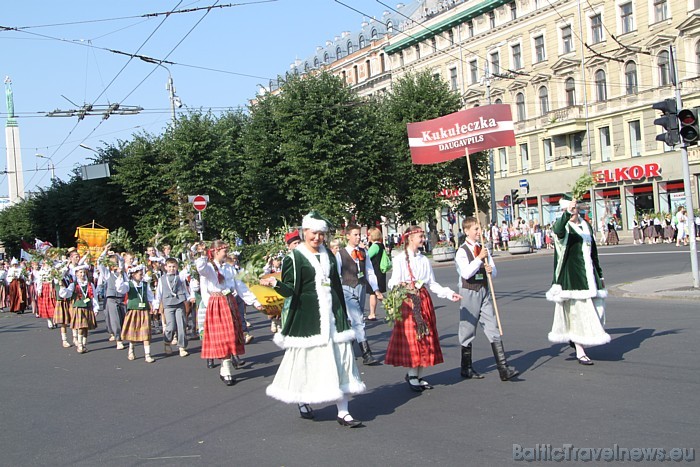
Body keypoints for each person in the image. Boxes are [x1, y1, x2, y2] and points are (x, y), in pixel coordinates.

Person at [260, 211, 365, 427]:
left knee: (341, 360)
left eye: (321, 234)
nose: (317, 238)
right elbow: (290, 291)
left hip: (333, 317)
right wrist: (275, 284)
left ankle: (343, 411)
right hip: (308, 318)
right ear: (305, 232)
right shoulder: (294, 258)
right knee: (308, 362)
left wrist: (343, 314)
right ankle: (303, 400)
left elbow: (336, 284)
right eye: (313, 233)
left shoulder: (328, 254)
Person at [385, 226, 461, 392]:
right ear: (410, 238)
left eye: (423, 236)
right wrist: (402, 286)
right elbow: (392, 283)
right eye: (420, 236)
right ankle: (412, 374)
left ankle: (418, 375)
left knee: (424, 336)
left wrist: (449, 294)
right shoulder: (400, 259)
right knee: (414, 338)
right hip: (408, 302)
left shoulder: (423, 260)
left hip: (423, 300)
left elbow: (431, 283)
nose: (423, 239)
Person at [546, 195, 610, 365]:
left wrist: (600, 275)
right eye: (571, 209)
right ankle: (580, 350)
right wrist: (568, 213)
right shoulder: (564, 227)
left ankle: (575, 340)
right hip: (573, 279)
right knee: (578, 315)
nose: (575, 212)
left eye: (576, 208)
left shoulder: (585, 225)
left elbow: (593, 252)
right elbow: (558, 230)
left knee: (599, 310)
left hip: (591, 277)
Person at [455, 217, 519, 381]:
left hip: (484, 289)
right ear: (467, 231)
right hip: (469, 291)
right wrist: (478, 259)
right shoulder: (462, 251)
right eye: (475, 229)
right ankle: (466, 367)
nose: (478, 232)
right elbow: (466, 273)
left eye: (479, 228)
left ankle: (503, 369)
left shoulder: (484, 249)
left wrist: (490, 270)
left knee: (493, 327)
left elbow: (494, 271)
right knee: (468, 329)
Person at [195, 240, 263, 386]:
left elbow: (240, 286)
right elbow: (200, 268)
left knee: (232, 335)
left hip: (229, 301)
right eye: (224, 251)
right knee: (222, 338)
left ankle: (226, 367)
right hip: (216, 304)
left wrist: (255, 301)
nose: (227, 253)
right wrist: (202, 253)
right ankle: (225, 369)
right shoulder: (208, 268)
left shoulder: (229, 268)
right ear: (216, 252)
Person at [336, 223, 383, 366]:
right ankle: (366, 353)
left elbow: (369, 271)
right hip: (347, 288)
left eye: (359, 234)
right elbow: (337, 274)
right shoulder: (340, 254)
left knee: (355, 320)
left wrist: (376, 289)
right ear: (348, 236)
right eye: (355, 235)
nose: (358, 237)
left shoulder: (364, 252)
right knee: (358, 320)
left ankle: (348, 344)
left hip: (361, 287)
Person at [154, 258, 195, 357]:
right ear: (166, 267)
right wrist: (156, 305)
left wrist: (190, 298)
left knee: (181, 325)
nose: (172, 269)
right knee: (171, 326)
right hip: (168, 305)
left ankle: (182, 346)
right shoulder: (162, 279)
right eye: (170, 267)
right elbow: (158, 293)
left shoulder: (180, 278)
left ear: (177, 267)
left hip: (179, 303)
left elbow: (184, 290)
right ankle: (167, 342)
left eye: (174, 267)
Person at [119, 265, 157, 363]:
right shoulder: (128, 284)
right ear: (133, 275)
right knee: (133, 332)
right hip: (133, 311)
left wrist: (154, 305)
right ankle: (131, 350)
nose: (141, 276)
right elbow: (120, 289)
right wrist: (120, 276)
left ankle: (147, 355)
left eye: (142, 274)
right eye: (140, 274)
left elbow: (150, 297)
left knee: (146, 332)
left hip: (144, 311)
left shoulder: (145, 284)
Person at [59, 265, 98, 354]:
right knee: (81, 326)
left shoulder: (90, 284)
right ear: (76, 274)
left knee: (86, 328)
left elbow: (94, 297)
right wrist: (62, 287)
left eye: (84, 272)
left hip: (88, 307)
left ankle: (84, 344)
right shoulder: (74, 285)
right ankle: (79, 344)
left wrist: (95, 308)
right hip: (79, 308)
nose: (82, 274)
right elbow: (66, 294)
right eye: (80, 272)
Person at [366, 227, 388, 322]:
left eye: (369, 235)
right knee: (374, 293)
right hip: (380, 272)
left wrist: (364, 248)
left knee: (375, 293)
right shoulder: (381, 245)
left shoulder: (374, 246)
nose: (368, 237)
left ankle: (391, 307)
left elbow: (366, 256)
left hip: (375, 273)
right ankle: (372, 313)